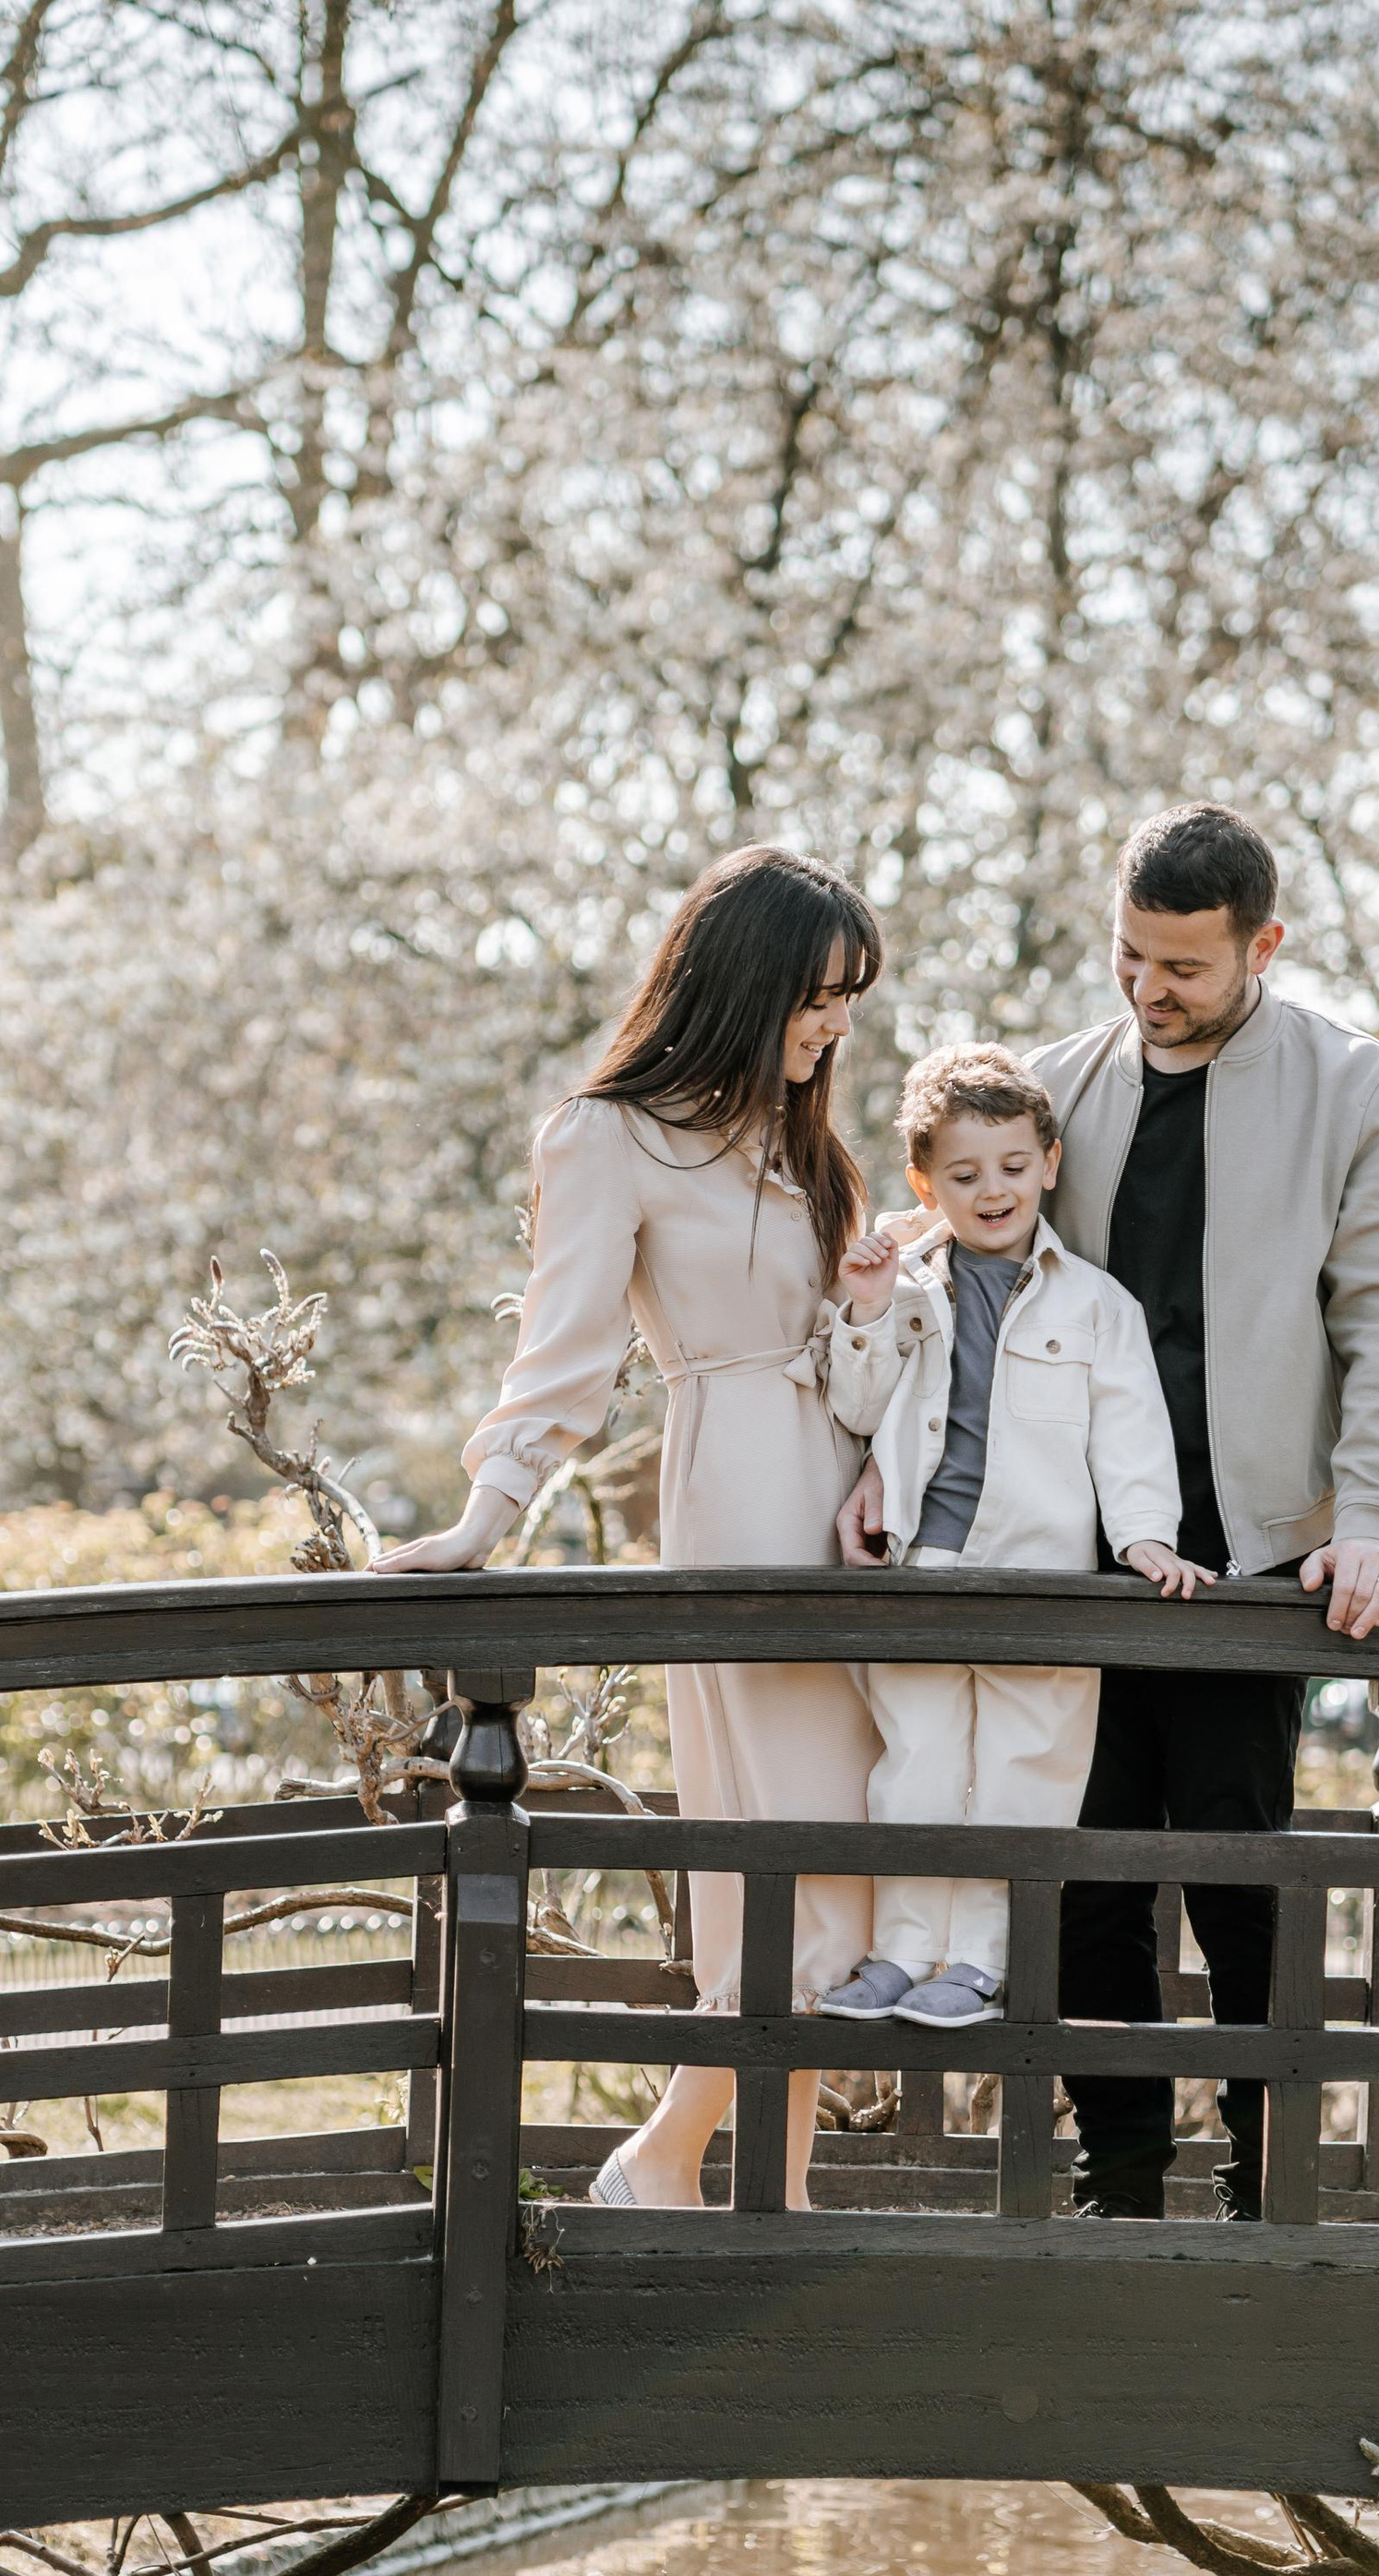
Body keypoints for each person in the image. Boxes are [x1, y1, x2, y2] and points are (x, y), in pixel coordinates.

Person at [837, 803, 1379, 2217]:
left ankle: (1264, 2186)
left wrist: (1376, 1515)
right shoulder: (1051, 1089)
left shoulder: (1359, 1091)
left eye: (1184, 967)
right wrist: (895, 1460)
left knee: (1241, 1885)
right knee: (1085, 1890)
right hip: (1063, 1560)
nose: (1148, 990)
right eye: (1130, 956)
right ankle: (1120, 2180)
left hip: (1248, 1564)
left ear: (1264, 946)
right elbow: (953, 1273)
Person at [380, 844, 884, 2215]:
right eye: (817, 996)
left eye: (849, 1000)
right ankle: (677, 2164)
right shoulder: (603, 1135)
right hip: (736, 1502)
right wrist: (486, 1516)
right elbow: (568, 1355)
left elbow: (843, 1336)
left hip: (848, 1510)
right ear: (746, 982)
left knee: (845, 1862)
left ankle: (738, 2199)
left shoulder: (798, 1138)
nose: (834, 1025)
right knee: (787, 1868)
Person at [816, 1044, 1210, 2028]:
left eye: (1008, 1166)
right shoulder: (905, 1287)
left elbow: (1130, 1433)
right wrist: (861, 1312)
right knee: (914, 1766)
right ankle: (903, 1948)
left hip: (1041, 1578)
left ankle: (982, 1960)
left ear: (1048, 1162)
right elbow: (855, 1408)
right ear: (924, 1183)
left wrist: (1146, 1536)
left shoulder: (1094, 1305)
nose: (990, 1190)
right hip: (926, 1562)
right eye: (961, 1174)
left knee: (1022, 1773)